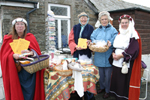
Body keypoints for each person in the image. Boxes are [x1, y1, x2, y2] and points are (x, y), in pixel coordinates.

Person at [0, 18, 45, 100]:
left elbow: (37, 53)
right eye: (17, 24)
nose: (20, 26)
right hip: (15, 70)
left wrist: (30, 52)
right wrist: (13, 56)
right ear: (14, 26)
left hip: (29, 71)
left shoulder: (30, 37)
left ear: (25, 27)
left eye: (22, 24)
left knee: (30, 92)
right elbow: (3, 56)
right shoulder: (8, 38)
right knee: (17, 90)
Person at [110, 14, 142, 100]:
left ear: (130, 23)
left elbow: (134, 49)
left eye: (126, 22)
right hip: (116, 61)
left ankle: (123, 97)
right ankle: (116, 95)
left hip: (125, 61)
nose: (124, 24)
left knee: (123, 79)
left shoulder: (133, 34)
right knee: (117, 78)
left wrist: (121, 55)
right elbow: (115, 47)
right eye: (122, 22)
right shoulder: (119, 34)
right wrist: (113, 54)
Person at [90, 11, 118, 99]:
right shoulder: (97, 30)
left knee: (108, 76)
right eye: (102, 19)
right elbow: (92, 38)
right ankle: (102, 88)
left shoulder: (113, 30)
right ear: (100, 20)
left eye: (106, 19)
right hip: (99, 57)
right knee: (101, 75)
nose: (104, 21)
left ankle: (107, 91)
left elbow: (116, 38)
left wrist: (111, 43)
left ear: (108, 19)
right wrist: (96, 43)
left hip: (109, 56)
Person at [68, 12, 94, 100]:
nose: (83, 19)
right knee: (78, 73)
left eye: (85, 18)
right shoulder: (75, 27)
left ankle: (87, 93)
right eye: (82, 18)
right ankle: (79, 91)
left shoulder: (91, 28)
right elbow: (71, 40)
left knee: (86, 74)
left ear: (87, 19)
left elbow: (93, 40)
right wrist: (75, 46)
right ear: (79, 19)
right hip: (77, 54)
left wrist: (89, 42)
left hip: (86, 55)